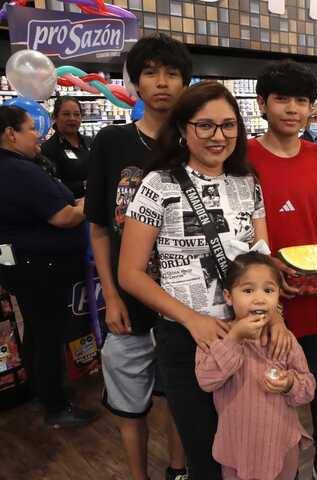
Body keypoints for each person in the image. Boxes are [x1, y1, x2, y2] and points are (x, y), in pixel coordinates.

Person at [118, 81, 293, 479]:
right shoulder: (157, 185)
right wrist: (191, 319)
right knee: (206, 453)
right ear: (183, 128)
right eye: (206, 126)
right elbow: (129, 273)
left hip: (250, 332)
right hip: (188, 339)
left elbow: (261, 261)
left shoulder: (247, 182)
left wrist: (276, 315)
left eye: (228, 126)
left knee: (254, 444)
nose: (219, 136)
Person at [84, 34, 190, 480]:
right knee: (131, 404)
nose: (162, 83)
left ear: (186, 82)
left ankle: (179, 470)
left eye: (171, 73)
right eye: (150, 72)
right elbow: (99, 226)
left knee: (181, 397)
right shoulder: (111, 142)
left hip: (186, 298)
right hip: (127, 301)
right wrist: (111, 294)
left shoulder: (198, 144)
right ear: (136, 82)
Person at [248, 59, 317, 480]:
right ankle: (280, 467)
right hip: (266, 298)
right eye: (281, 99)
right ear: (262, 104)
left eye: (301, 101)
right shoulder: (242, 155)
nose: (292, 109)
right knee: (269, 388)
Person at [0, 105, 96, 427]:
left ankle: (39, 391)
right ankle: (56, 406)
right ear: (10, 134)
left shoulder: (15, 166)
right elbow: (64, 217)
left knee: (37, 331)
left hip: (22, 265)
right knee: (48, 333)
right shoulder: (19, 170)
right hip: (40, 267)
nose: (37, 134)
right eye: (30, 129)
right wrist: (93, 199)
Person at [196, 252, 315, 480]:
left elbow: (308, 387)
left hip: (281, 446)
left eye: (268, 290)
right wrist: (234, 339)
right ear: (229, 297)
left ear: (278, 296)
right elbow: (206, 380)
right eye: (248, 290)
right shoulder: (217, 337)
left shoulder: (283, 339)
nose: (259, 299)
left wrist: (290, 383)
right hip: (236, 449)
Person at [41, 96, 92, 198]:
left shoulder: (89, 141)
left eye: (76, 114)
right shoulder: (48, 148)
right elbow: (55, 186)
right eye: (66, 114)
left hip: (95, 204)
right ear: (55, 117)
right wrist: (87, 185)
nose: (72, 118)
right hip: (70, 207)